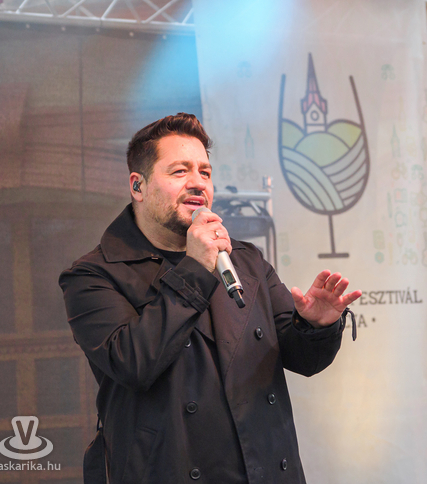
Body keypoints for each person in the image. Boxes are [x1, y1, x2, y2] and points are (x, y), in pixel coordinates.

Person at [59, 112, 361, 484]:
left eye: (205, 172)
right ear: (138, 186)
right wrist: (195, 267)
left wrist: (315, 326)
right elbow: (133, 363)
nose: (198, 183)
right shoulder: (94, 274)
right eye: (179, 171)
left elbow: (302, 359)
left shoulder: (245, 261)